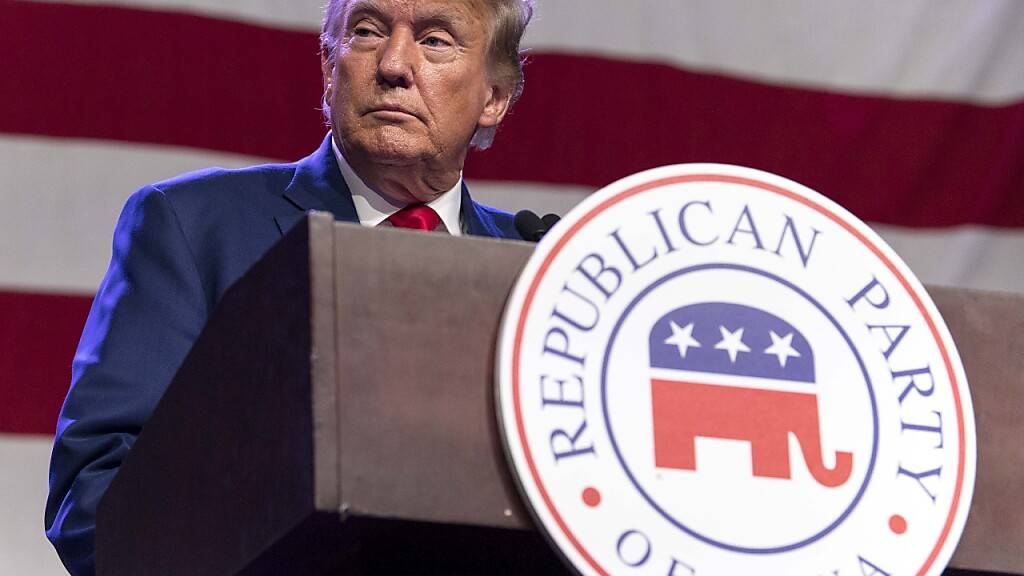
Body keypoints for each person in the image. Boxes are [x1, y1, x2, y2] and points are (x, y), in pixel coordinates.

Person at [44, 1, 535, 573]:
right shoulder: (194, 228)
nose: (394, 64)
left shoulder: (539, 273)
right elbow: (96, 495)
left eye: (435, 41)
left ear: (495, 97)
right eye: (367, 32)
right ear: (328, 67)